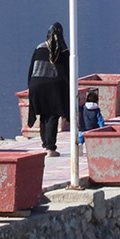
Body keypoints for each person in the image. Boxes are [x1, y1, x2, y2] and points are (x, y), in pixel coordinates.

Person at [28, 22, 69, 157]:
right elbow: (66, 72)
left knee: (43, 115)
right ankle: (50, 148)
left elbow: (31, 70)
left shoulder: (39, 48)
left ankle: (45, 144)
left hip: (36, 84)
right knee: (53, 115)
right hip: (54, 86)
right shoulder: (62, 50)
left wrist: (30, 87)